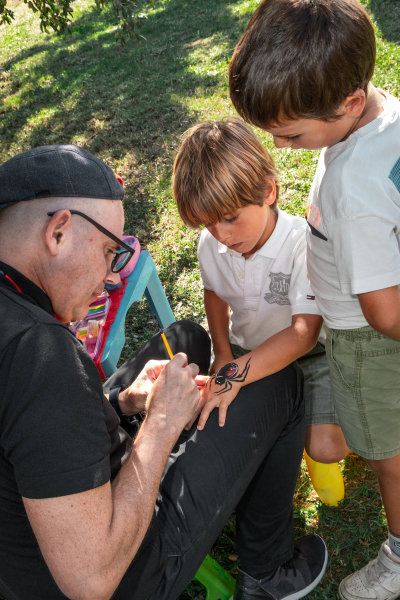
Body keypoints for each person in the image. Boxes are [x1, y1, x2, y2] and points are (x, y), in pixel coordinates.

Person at [0, 144, 327, 600]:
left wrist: (119, 401)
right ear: (58, 233)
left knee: (186, 336)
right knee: (284, 383)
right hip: (129, 567)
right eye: (111, 252)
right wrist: (161, 424)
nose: (113, 277)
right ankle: (266, 573)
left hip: (73, 496)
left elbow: (33, 429)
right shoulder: (37, 355)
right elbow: (92, 580)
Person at [228, 0, 400, 598]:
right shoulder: (385, 118)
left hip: (361, 336)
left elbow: (384, 312)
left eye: (292, 134)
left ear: (348, 102)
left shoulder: (352, 186)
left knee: (387, 456)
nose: (282, 144)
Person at [173, 117, 348, 460]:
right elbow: (214, 294)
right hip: (244, 349)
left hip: (312, 358)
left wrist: (235, 375)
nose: (221, 235)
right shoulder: (210, 244)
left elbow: (303, 334)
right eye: (208, 222)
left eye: (230, 218)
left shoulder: (304, 245)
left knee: (326, 450)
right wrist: (223, 352)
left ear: (268, 192)